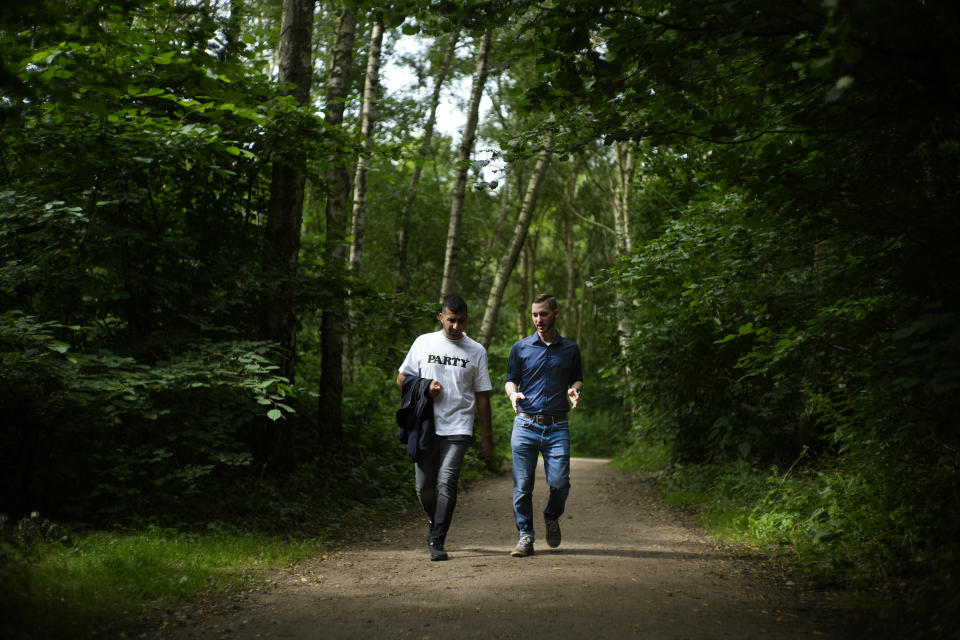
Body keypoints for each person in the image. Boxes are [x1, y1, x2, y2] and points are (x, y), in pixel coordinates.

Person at [397, 295, 494, 561]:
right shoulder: (423, 342)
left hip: (459, 426)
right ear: (441, 317)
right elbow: (402, 377)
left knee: (447, 482)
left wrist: (487, 434)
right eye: (451, 320)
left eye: (461, 321)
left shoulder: (476, 351)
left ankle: (437, 540)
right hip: (426, 425)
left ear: (467, 320)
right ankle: (433, 520)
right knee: (423, 487)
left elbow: (482, 395)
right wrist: (425, 386)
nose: (456, 326)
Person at [504, 293, 583, 557]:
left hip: (557, 426)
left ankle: (551, 515)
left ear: (556, 314)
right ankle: (525, 536)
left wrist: (574, 390)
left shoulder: (570, 349)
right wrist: (513, 394)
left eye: (544, 314)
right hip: (525, 425)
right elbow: (510, 379)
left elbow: (577, 379)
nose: (538, 319)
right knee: (522, 486)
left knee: (560, 483)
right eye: (535, 315)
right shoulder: (521, 348)